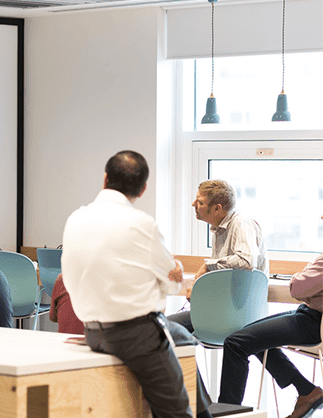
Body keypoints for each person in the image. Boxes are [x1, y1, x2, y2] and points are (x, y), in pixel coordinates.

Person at [61, 150, 212, 418]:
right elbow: (172, 280)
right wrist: (176, 274)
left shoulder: (75, 219)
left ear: (105, 179)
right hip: (136, 337)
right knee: (178, 412)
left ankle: (205, 410)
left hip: (93, 334)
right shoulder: (141, 224)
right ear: (142, 190)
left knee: (179, 334)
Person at [218, 236, 323, 418]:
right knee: (248, 336)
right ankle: (306, 390)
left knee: (236, 342)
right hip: (310, 315)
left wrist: (303, 276)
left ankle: (226, 415)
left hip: (314, 322)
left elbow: (297, 288)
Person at [168, 179, 269, 332]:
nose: (193, 204)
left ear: (217, 208)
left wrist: (208, 265)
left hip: (236, 313)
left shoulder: (241, 223)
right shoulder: (220, 228)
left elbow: (246, 261)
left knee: (165, 328)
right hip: (227, 310)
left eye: (200, 202)